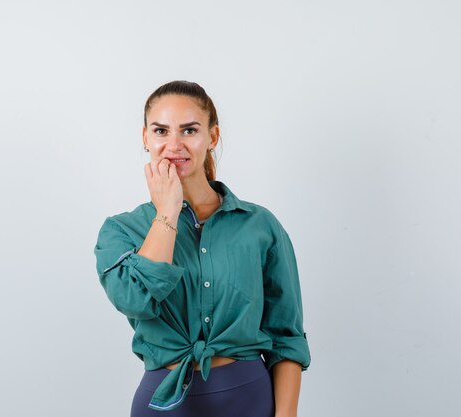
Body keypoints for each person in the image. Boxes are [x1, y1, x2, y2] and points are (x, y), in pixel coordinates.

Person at [93, 80, 311, 416]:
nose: (174, 144)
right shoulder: (120, 231)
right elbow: (136, 301)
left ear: (212, 137)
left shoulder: (260, 226)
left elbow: (287, 337)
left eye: (189, 130)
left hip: (248, 400)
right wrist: (166, 212)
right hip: (163, 405)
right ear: (145, 138)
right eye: (161, 131)